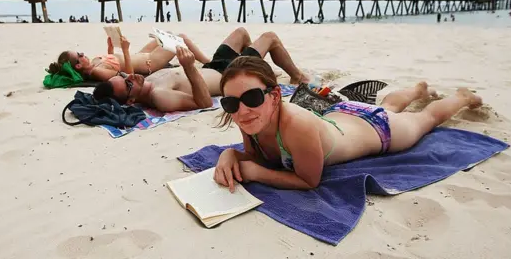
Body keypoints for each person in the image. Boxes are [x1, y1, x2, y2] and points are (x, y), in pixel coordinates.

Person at [212, 56, 483, 191]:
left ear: (273, 96)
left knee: (426, 119)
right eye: (231, 103)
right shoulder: (246, 115)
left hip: (379, 130)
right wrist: (229, 154)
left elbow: (309, 181)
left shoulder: (295, 123)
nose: (242, 110)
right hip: (341, 114)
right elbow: (252, 156)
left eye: (251, 97)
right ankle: (416, 90)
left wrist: (255, 174)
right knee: (386, 106)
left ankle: (462, 96)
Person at [94, 28, 310, 112]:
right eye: (128, 83)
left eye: (123, 75)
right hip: (230, 73)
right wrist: (188, 68)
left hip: (212, 66)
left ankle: (261, 71)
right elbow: (204, 103)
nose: (131, 75)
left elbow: (133, 72)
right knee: (270, 38)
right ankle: (297, 76)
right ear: (131, 100)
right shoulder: (159, 96)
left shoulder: (146, 81)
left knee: (242, 34)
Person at [47, 33, 209, 82]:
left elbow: (111, 61)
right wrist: (125, 50)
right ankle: (208, 62)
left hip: (139, 54)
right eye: (80, 55)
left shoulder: (95, 64)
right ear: (77, 66)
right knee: (179, 38)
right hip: (149, 62)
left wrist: (110, 48)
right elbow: (129, 77)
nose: (83, 54)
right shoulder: (97, 72)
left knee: (160, 37)